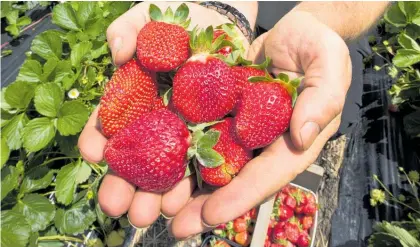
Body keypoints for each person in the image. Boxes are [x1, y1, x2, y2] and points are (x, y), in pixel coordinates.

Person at [78, 1, 390, 240]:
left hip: (311, 32)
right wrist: (229, 9)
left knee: (317, 116)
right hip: (233, 35)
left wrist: (321, 19)